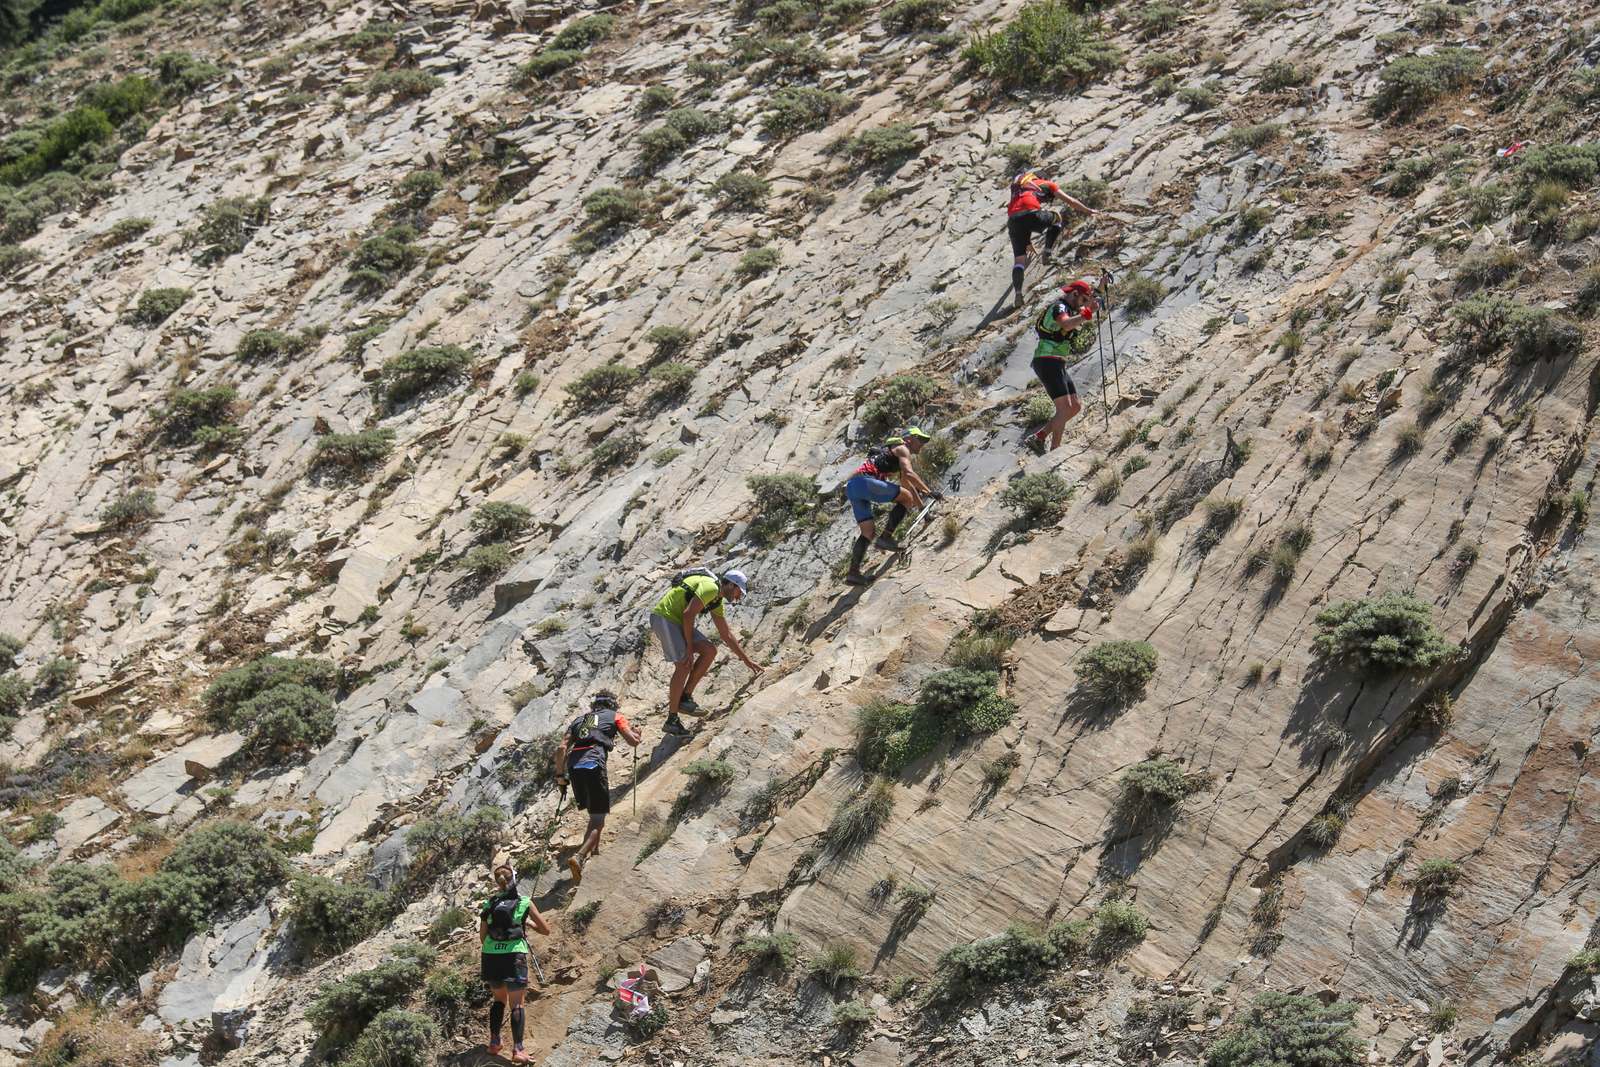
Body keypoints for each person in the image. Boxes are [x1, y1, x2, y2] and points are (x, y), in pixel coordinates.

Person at [648, 571, 764, 736]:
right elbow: (688, 614)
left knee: (710, 650)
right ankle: (672, 719)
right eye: (739, 592)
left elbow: (726, 634)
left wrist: (746, 660)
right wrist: (689, 647)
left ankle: (685, 698)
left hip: (678, 620)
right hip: (665, 618)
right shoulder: (710, 588)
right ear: (731, 585)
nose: (739, 597)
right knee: (683, 665)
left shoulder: (716, 601)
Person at [553, 691, 642, 886]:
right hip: (593, 763)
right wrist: (638, 734)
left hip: (574, 766)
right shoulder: (615, 717)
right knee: (598, 820)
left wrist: (560, 776)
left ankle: (592, 853)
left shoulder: (579, 720)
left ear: (594, 706)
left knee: (594, 814)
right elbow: (632, 741)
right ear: (613, 705)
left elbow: (561, 748)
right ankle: (579, 856)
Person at [843, 427, 938, 587]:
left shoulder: (891, 452)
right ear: (909, 439)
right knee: (905, 497)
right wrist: (929, 492)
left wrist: (924, 512)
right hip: (866, 482)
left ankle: (853, 574)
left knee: (867, 532)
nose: (922, 444)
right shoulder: (903, 449)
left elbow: (907, 486)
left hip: (852, 487)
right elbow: (909, 474)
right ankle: (886, 538)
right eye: (919, 439)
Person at [479, 862, 550, 1063]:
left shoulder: (489, 904)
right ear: (514, 879)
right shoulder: (524, 902)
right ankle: (518, 1050)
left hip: (491, 956)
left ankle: (494, 1043)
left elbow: (483, 938)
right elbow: (546, 930)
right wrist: (526, 922)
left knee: (498, 1000)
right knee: (517, 1004)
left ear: (498, 883)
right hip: (514, 955)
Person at [1006, 171, 1098, 308]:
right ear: (1042, 178)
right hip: (1032, 215)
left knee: (1019, 261)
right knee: (1057, 218)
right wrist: (1088, 211)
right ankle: (1047, 253)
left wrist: (1027, 242)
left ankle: (1018, 293)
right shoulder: (1047, 184)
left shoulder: (1020, 187)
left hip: (1013, 221)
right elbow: (1071, 201)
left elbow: (1020, 213)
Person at [1027, 280, 1094, 452]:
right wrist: (1087, 313)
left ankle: (1040, 436)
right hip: (1047, 360)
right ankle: (1055, 450)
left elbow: (1086, 306)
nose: (1084, 304)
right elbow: (1065, 323)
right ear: (1075, 294)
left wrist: (1100, 287)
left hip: (1057, 362)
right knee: (1064, 408)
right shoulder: (1060, 307)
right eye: (1084, 299)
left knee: (1075, 406)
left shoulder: (1071, 307)